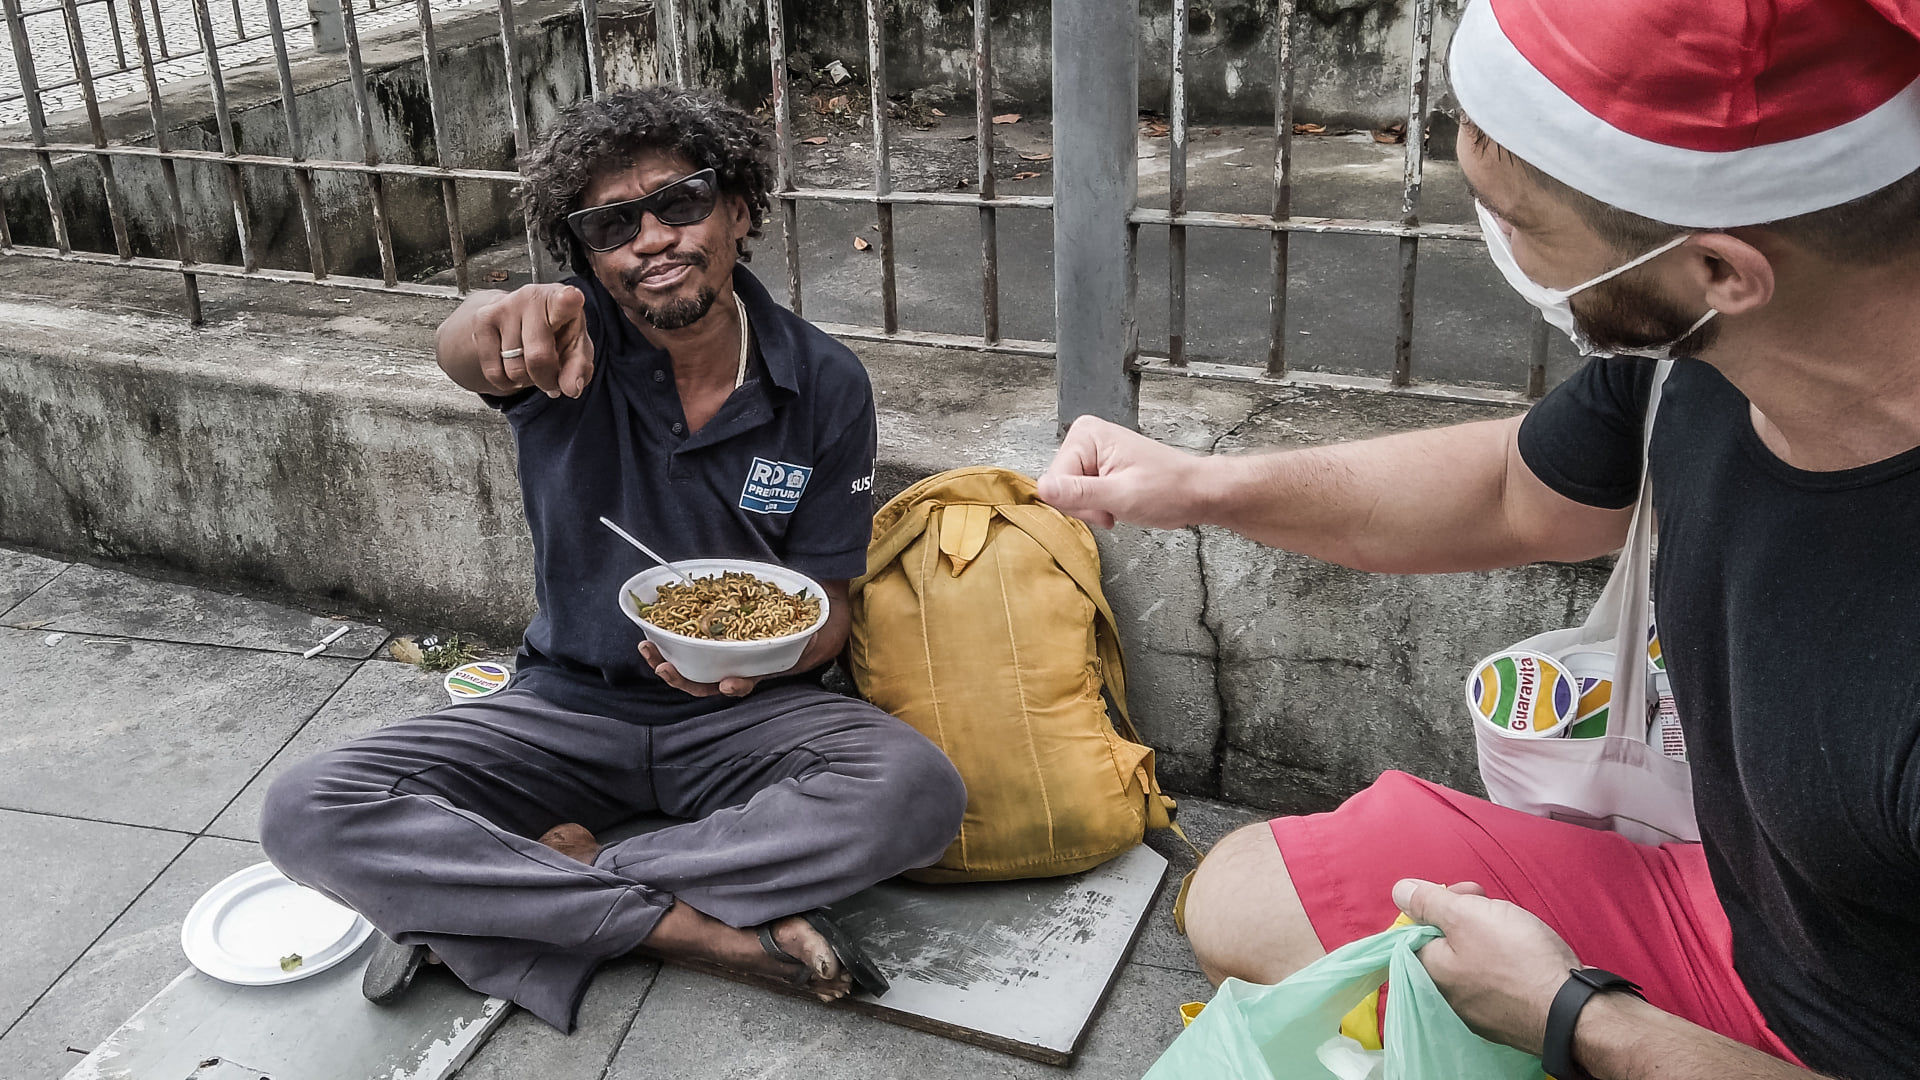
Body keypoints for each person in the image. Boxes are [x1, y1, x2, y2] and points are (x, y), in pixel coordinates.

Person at [1038, 1, 1920, 1077]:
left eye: (1523, 221)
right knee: (1240, 898)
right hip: (1738, 911)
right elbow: (1517, 491)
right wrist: (1204, 486)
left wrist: (1574, 1017)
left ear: (1724, 271)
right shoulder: (1704, 355)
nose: (1499, 246)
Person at [258, 86, 966, 1032]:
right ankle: (690, 928)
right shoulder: (563, 346)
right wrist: (497, 321)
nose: (653, 239)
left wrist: (759, 658)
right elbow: (469, 342)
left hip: (747, 723)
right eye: (612, 222)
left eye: (680, 202)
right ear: (588, 253)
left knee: (916, 794)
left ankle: (545, 887)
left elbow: (828, 609)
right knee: (308, 810)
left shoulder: (824, 382)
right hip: (562, 709)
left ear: (740, 209)